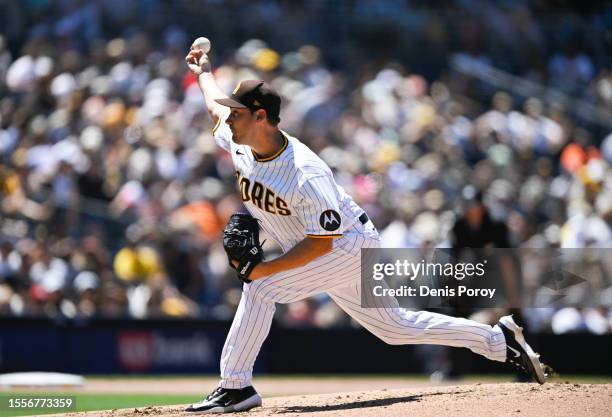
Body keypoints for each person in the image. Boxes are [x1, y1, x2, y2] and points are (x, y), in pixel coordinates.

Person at [184, 39, 546, 414]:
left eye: (238, 113)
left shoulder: (305, 173)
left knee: (260, 288)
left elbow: (323, 243)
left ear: (261, 117)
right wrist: (205, 73)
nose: (230, 118)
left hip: (345, 245)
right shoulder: (241, 141)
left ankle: (235, 386)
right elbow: (214, 107)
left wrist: (265, 269)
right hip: (327, 248)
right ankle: (499, 340)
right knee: (395, 328)